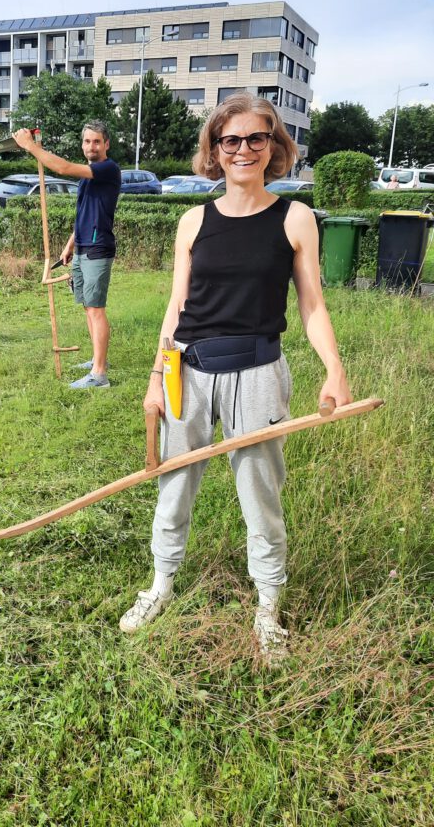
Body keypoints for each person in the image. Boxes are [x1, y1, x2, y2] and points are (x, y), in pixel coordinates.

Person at [119, 94, 351, 662]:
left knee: (259, 495)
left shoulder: (294, 217)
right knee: (173, 489)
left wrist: (335, 370)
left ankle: (267, 605)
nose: (244, 149)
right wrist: (157, 375)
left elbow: (312, 306)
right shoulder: (192, 220)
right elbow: (177, 306)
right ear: (215, 151)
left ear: (273, 148)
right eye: (232, 140)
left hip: (259, 373)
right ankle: (160, 586)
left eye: (256, 139)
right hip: (187, 371)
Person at [13, 121, 120, 388]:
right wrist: (71, 245)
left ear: (106, 144)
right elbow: (84, 213)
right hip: (83, 246)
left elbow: (62, 168)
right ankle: (98, 359)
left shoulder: (108, 169)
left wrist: (30, 146)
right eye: (87, 141)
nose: (91, 146)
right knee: (87, 305)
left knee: (96, 309)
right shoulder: (88, 178)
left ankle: (99, 375)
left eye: (97, 141)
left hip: (98, 247)